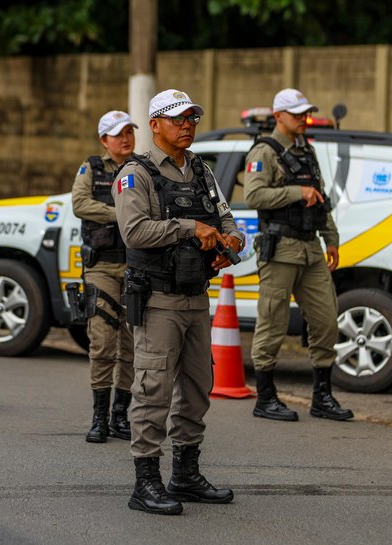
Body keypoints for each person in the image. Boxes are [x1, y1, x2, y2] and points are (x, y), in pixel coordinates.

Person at [113, 89, 245, 516]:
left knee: (196, 388)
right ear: (154, 124)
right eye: (177, 118)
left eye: (191, 117)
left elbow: (225, 218)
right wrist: (190, 227)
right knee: (153, 389)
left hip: (194, 296)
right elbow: (134, 231)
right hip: (157, 299)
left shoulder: (202, 171)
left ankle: (185, 475)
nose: (187, 124)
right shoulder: (137, 174)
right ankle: (145, 483)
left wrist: (232, 240)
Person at [244, 88, 354, 422]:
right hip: (280, 250)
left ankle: (322, 397)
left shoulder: (307, 152)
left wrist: (331, 238)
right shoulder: (264, 151)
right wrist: (296, 192)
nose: (303, 120)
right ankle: (266, 398)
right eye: (296, 115)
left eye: (305, 114)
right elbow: (253, 195)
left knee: (326, 320)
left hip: (311, 248)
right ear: (278, 116)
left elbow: (319, 197)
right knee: (272, 323)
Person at [71, 111, 138, 444]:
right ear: (104, 140)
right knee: (101, 342)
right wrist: (120, 214)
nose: (125, 138)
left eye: (129, 131)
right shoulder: (91, 168)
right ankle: (98, 417)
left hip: (136, 265)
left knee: (130, 344)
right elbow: (80, 204)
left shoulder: (142, 168)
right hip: (101, 266)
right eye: (117, 134)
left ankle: (119, 416)